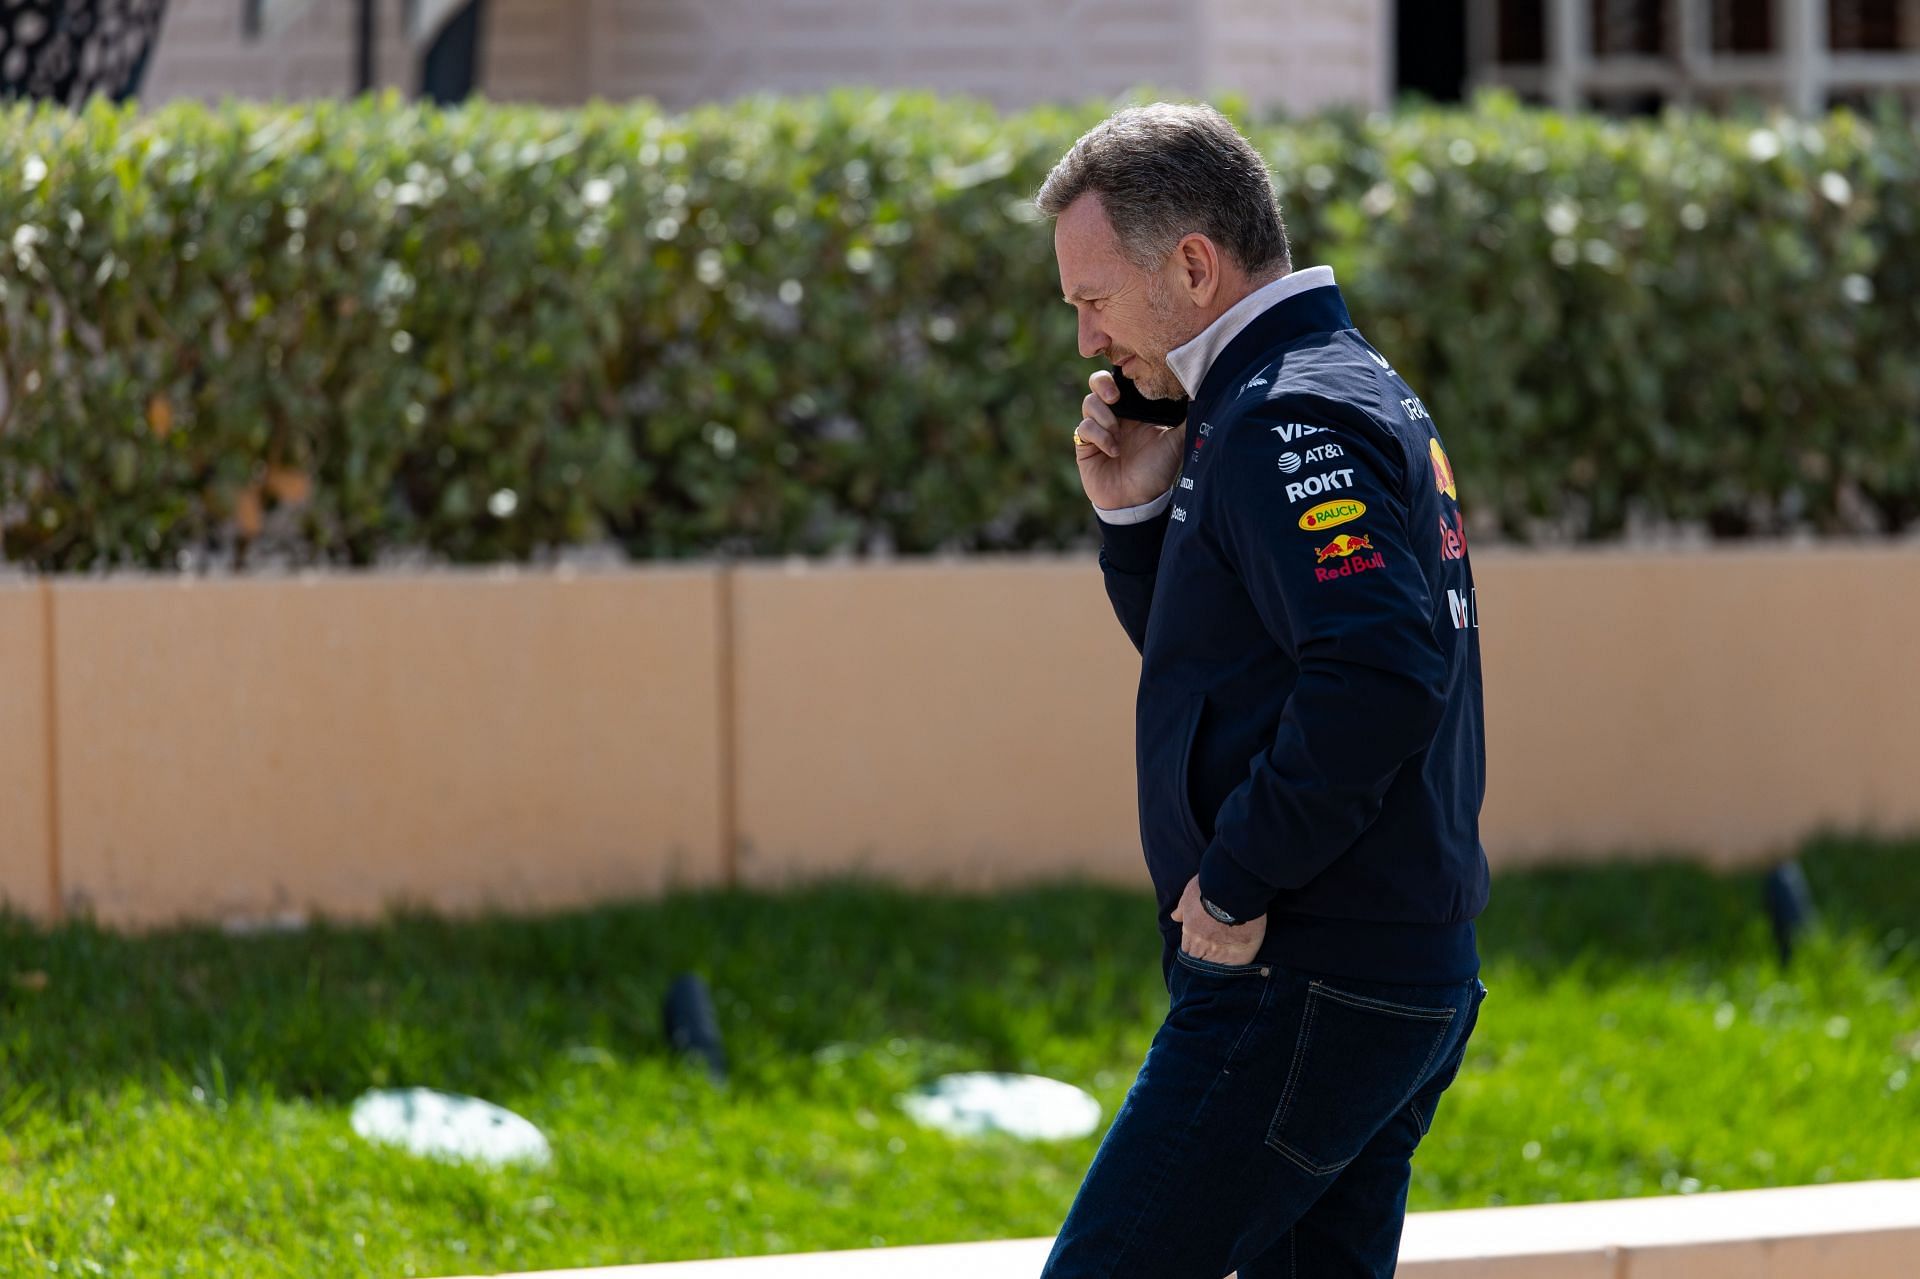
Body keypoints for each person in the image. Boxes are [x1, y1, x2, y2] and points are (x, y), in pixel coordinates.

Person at [1035, 103, 1490, 1279]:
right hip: (1373, 966)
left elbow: (1380, 677)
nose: (1087, 339)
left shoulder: (1285, 410)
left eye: (1094, 298)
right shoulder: (1300, 393)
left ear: (1192, 263)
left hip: (1307, 968)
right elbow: (1231, 672)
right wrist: (1139, 513)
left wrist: (1233, 883)